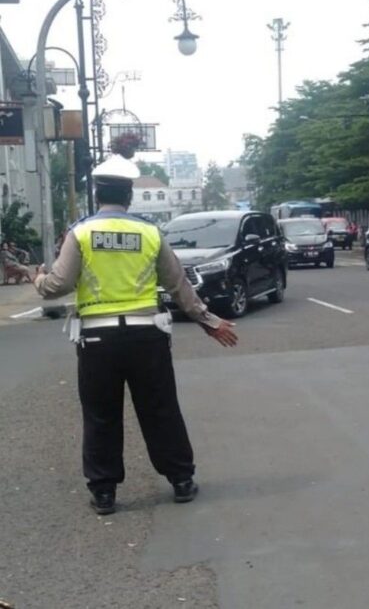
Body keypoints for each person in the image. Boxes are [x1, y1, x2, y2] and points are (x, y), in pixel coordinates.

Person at [33, 155, 238, 515]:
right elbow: (179, 285)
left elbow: (57, 286)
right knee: (161, 410)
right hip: (147, 337)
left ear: (98, 194)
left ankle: (105, 492)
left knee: (101, 415)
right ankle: (181, 481)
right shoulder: (149, 233)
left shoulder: (81, 232)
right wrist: (209, 321)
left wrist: (37, 277)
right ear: (129, 195)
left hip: (98, 341)